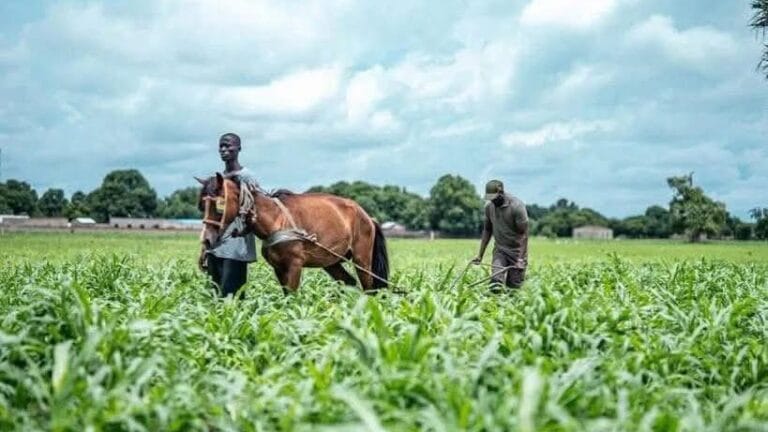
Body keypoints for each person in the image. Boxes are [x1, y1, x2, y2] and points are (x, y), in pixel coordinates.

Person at [204, 133, 259, 298]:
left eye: (228, 146)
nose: (224, 149)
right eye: (221, 146)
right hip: (216, 245)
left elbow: (256, 207)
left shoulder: (246, 176)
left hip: (237, 244)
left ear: (239, 148)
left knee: (232, 295)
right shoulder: (218, 179)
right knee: (216, 293)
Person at [472, 179, 529, 292]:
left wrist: (520, 259)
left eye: (494, 197)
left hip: (517, 252)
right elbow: (487, 230)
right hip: (500, 250)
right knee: (495, 282)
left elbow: (524, 235)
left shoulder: (517, 206)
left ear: (501, 192)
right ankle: (493, 306)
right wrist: (480, 255)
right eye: (490, 198)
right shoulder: (489, 207)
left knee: (514, 288)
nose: (492, 201)